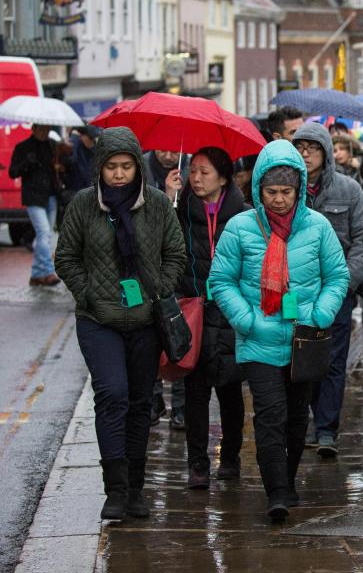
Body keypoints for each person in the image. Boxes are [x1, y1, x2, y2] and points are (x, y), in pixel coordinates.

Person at [209, 139, 349, 520]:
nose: (279, 200)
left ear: (300, 189)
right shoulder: (240, 227)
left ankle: (286, 479)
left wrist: (320, 315)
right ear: (258, 189)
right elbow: (221, 280)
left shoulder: (318, 227)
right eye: (271, 192)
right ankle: (278, 492)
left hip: (305, 339)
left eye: (287, 192)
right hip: (259, 340)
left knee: (296, 416)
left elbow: (337, 276)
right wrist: (246, 320)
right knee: (270, 414)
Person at [55, 127, 187, 520]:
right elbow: (67, 258)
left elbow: (175, 254)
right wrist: (89, 293)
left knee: (139, 402)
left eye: (126, 166)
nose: (118, 174)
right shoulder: (83, 204)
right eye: (111, 167)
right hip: (99, 319)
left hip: (146, 319)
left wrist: (157, 292)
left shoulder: (159, 205)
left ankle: (135, 489)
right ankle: (114, 490)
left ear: (136, 168)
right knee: (112, 394)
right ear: (100, 168)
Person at [292, 122, 363, 457]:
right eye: (300, 147)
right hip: (296, 290)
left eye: (312, 147)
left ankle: (326, 429)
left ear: (325, 151)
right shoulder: (286, 188)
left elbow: (362, 242)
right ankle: (305, 419)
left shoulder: (349, 191)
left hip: (337, 289)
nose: (306, 154)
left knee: (333, 360)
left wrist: (346, 282)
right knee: (298, 356)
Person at [176, 147, 247, 490]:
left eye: (204, 172)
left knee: (231, 389)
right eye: (193, 171)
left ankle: (231, 457)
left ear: (223, 176)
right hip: (195, 310)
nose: (197, 178)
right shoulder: (180, 210)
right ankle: (197, 464)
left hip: (231, 312)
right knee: (195, 391)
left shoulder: (243, 214)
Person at [143, 147, 190, 428]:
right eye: (163, 148)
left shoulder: (190, 168)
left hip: (179, 271)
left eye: (174, 149)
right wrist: (166, 194)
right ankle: (154, 400)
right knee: (150, 341)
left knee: (180, 338)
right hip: (149, 271)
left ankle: (181, 408)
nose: (169, 155)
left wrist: (179, 196)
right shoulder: (142, 169)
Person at [9, 123, 60, 286]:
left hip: (51, 196)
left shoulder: (53, 146)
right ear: (34, 129)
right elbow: (12, 172)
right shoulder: (23, 147)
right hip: (33, 197)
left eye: (47, 129)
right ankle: (48, 271)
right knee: (43, 232)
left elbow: (58, 168)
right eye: (42, 129)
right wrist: (26, 163)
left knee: (45, 235)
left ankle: (37, 275)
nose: (45, 132)